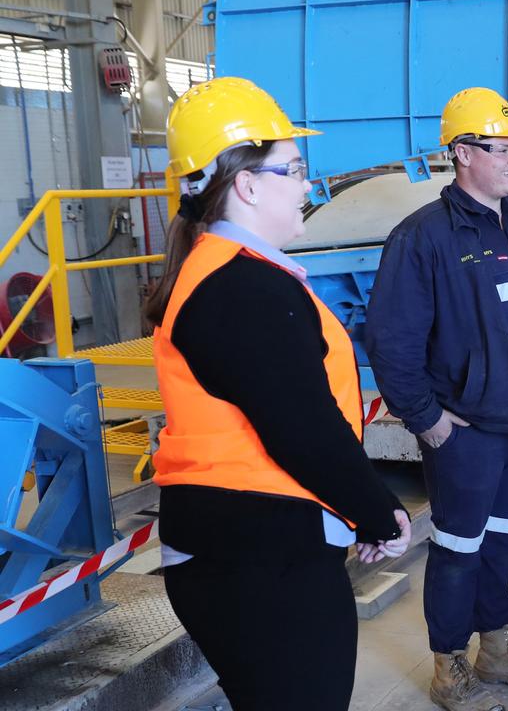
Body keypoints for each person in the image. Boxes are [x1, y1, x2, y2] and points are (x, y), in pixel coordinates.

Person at [149, 77, 411, 711]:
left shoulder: (227, 274)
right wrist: (378, 513)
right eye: (294, 169)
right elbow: (302, 429)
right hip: (255, 555)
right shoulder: (243, 289)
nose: (307, 186)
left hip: (243, 545)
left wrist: (351, 513)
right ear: (246, 184)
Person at [365, 87, 508, 711]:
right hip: (464, 432)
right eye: (502, 149)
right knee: (458, 549)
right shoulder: (423, 237)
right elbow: (391, 339)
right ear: (462, 153)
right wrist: (429, 423)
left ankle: (496, 647)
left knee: (503, 540)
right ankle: (449, 663)